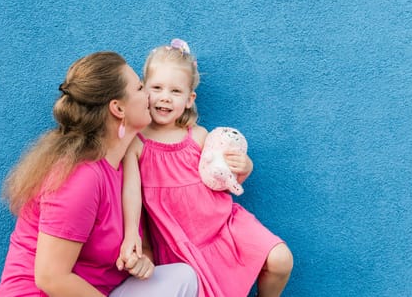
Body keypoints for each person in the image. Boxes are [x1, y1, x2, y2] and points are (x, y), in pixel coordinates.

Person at [0, 51, 198, 297]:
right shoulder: (81, 177)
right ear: (118, 108)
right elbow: (51, 278)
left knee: (182, 277)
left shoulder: (126, 167)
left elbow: (142, 247)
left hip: (102, 291)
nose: (149, 95)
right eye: (139, 88)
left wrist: (142, 262)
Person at [119, 39, 293, 297]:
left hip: (224, 227)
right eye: (157, 88)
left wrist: (245, 166)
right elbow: (131, 191)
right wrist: (131, 231)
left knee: (281, 259)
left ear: (189, 99)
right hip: (180, 242)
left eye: (175, 92)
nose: (165, 97)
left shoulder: (198, 136)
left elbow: (223, 175)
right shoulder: (136, 143)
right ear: (144, 90)